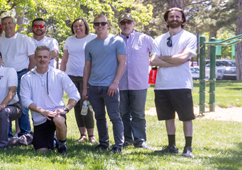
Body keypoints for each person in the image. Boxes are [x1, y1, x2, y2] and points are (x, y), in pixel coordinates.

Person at [151, 8, 197, 158]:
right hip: (162, 85)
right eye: (171, 16)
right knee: (168, 117)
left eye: (178, 16)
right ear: (166, 20)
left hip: (181, 84)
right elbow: (153, 60)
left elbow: (183, 59)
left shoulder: (189, 37)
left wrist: (164, 58)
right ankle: (171, 146)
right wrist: (175, 59)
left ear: (183, 19)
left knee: (186, 117)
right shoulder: (158, 39)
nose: (174, 18)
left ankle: (188, 148)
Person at [20, 47, 80, 154]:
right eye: (39, 57)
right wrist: (42, 111)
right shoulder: (26, 77)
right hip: (39, 117)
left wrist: (65, 109)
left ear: (49, 59)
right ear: (34, 58)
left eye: (45, 57)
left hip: (57, 113)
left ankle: (62, 145)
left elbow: (75, 94)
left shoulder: (59, 74)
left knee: (59, 121)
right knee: (42, 151)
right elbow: (25, 100)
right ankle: (52, 140)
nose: (42, 59)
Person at [82, 15, 127, 153]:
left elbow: (122, 63)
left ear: (108, 25)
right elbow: (87, 67)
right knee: (99, 116)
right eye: (97, 23)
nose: (100, 25)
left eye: (103, 23)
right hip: (94, 87)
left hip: (110, 86)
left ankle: (118, 145)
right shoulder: (89, 45)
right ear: (94, 26)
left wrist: (115, 83)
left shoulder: (117, 41)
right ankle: (103, 143)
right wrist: (85, 88)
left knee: (114, 116)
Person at [0, 16, 36, 136]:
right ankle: (6, 134)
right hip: (4, 76)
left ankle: (25, 133)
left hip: (21, 74)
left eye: (10, 23)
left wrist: (27, 74)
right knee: (4, 104)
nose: (8, 26)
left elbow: (32, 59)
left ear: (14, 24)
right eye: (5, 24)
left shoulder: (24, 39)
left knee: (22, 106)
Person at [0, 50, 32, 149]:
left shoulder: (10, 71)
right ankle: (28, 139)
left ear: (1, 59)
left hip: (13, 107)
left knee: (2, 113)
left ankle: (2, 147)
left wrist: (2, 105)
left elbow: (12, 91)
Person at [118, 18, 154, 149]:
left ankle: (140, 141)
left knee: (138, 114)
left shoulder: (145, 39)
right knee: (123, 114)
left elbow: (156, 53)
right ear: (119, 25)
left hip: (139, 83)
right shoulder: (115, 40)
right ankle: (127, 140)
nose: (125, 25)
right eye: (123, 23)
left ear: (133, 23)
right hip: (120, 84)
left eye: (128, 22)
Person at [60, 18, 96, 142]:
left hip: (87, 76)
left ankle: (91, 135)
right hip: (71, 76)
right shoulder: (69, 40)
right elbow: (64, 59)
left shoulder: (92, 38)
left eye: (80, 25)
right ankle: (83, 134)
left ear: (85, 26)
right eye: (75, 26)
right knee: (76, 105)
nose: (78, 28)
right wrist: (61, 75)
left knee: (86, 104)